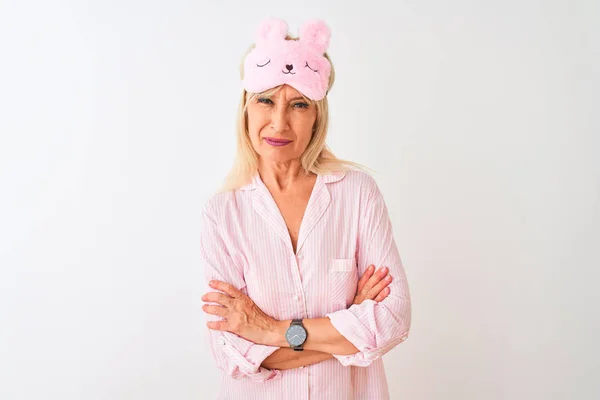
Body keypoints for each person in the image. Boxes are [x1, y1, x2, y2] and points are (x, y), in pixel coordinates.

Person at [199, 18, 411, 400]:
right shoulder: (222, 214)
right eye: (265, 100)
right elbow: (231, 350)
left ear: (317, 116)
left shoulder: (358, 194)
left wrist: (270, 332)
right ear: (246, 108)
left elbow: (393, 318)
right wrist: (349, 327)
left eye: (299, 104)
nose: (279, 122)